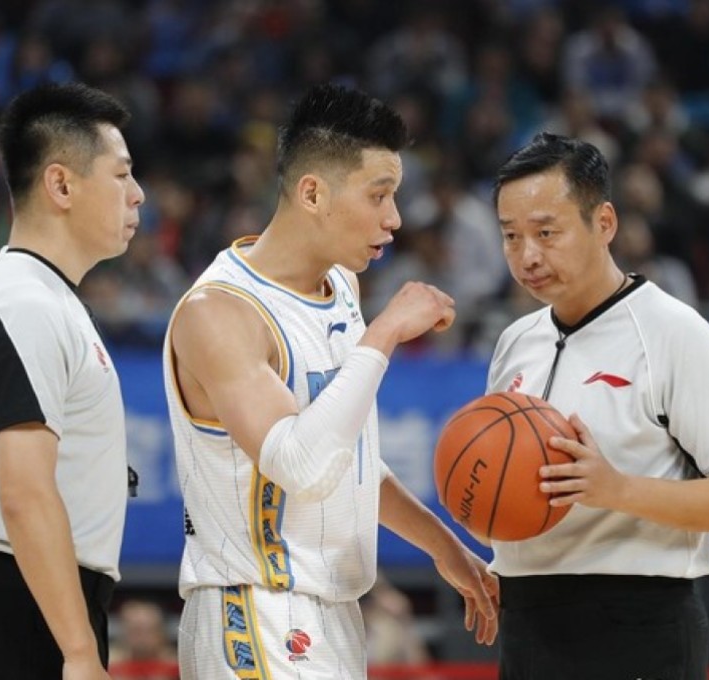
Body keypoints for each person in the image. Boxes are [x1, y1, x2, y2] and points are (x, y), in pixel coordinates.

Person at [163, 82, 498, 680]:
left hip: (334, 617)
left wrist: (444, 547)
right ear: (312, 193)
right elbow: (300, 464)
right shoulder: (219, 313)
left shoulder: (340, 285)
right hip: (254, 613)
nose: (394, 220)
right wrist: (388, 332)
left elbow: (348, 457)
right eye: (380, 195)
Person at [485, 131, 709, 680]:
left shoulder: (677, 334)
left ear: (604, 224)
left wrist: (616, 489)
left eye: (547, 232)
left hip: (638, 625)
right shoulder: (515, 341)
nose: (527, 255)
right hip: (525, 622)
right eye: (510, 236)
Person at [0, 82, 145, 680]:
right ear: (61, 184)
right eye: (122, 175)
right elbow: (24, 493)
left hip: (34, 610)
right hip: (17, 621)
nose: (138, 194)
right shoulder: (24, 301)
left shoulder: (44, 299)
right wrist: (76, 651)